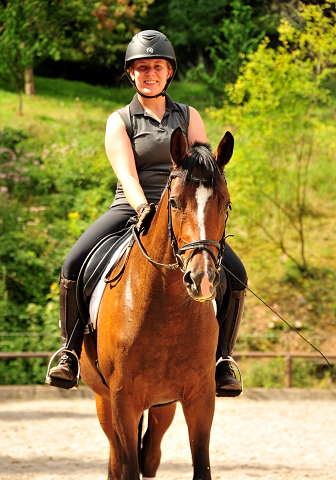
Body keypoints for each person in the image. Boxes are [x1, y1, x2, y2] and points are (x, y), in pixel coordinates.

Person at [47, 30, 247, 397]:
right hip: (131, 208)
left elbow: (202, 170)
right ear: (131, 74)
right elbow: (126, 173)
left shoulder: (189, 115)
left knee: (236, 273)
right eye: (141, 68)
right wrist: (143, 208)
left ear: (169, 71)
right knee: (73, 263)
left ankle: (222, 359)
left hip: (184, 212)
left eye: (157, 66)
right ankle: (70, 352)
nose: (149, 73)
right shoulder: (120, 120)